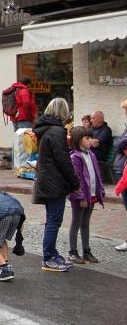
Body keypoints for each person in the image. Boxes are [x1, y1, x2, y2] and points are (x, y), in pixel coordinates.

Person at [33, 97, 80, 272]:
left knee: (52, 219)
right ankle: (48, 257)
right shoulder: (57, 131)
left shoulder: (45, 129)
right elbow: (63, 160)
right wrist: (75, 183)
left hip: (47, 180)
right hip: (55, 182)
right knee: (54, 220)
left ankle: (52, 253)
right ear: (62, 111)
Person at [67, 126, 105, 264]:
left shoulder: (91, 155)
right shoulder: (75, 157)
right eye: (87, 138)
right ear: (78, 140)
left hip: (92, 194)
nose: (90, 141)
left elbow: (97, 174)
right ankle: (72, 252)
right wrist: (80, 197)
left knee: (85, 224)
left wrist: (100, 190)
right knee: (76, 223)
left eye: (90, 137)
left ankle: (86, 251)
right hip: (81, 197)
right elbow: (76, 179)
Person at [90, 110, 114, 183]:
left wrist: (87, 142)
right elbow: (83, 140)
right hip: (91, 152)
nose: (91, 120)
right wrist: (89, 142)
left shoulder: (106, 130)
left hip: (100, 155)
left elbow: (95, 143)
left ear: (100, 119)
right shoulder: (91, 129)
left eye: (93, 118)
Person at [113, 98, 127, 185]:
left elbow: (120, 144)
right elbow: (117, 142)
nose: (125, 113)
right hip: (122, 166)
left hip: (123, 168)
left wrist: (118, 142)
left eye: (125, 109)